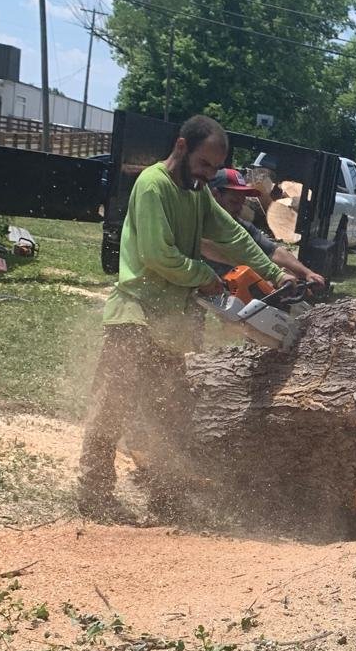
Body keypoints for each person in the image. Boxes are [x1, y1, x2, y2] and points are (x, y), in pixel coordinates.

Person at [77, 114, 286, 523]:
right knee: (112, 406)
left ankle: (166, 495)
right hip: (135, 314)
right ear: (181, 147)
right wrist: (205, 276)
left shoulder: (197, 192)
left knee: (171, 411)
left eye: (215, 167)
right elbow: (157, 255)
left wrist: (275, 276)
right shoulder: (152, 185)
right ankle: (93, 493)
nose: (208, 174)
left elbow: (233, 235)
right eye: (204, 164)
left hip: (171, 323)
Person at [202, 167, 325, 288]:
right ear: (214, 195)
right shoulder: (198, 224)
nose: (239, 208)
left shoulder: (241, 227)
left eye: (241, 203)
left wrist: (307, 273)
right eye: (233, 202)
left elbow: (273, 251)